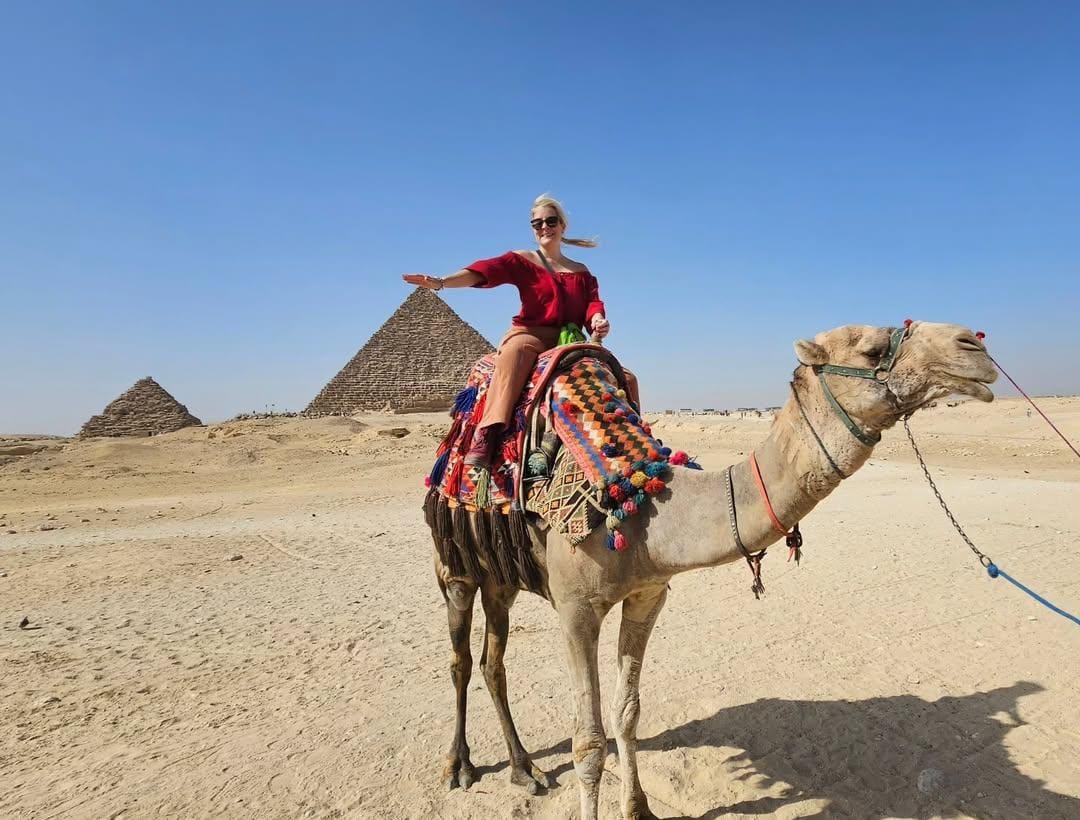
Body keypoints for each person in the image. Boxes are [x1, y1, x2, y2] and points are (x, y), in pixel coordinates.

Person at [403, 194, 620, 468]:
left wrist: (598, 319)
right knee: (516, 353)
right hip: (531, 334)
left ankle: (633, 436)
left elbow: (592, 303)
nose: (544, 227)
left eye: (550, 221)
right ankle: (488, 431)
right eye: (536, 223)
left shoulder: (581, 271)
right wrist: (441, 282)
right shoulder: (523, 260)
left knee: (623, 376)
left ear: (563, 226)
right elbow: (484, 272)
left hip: (570, 339)